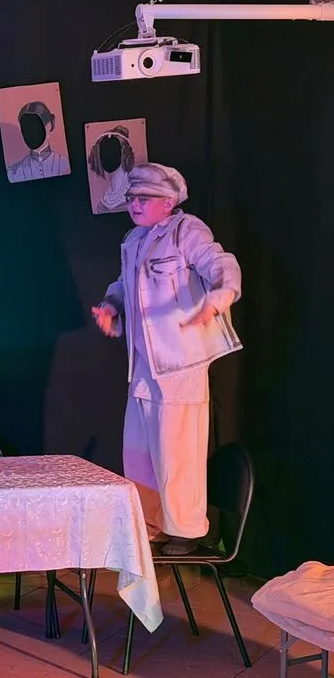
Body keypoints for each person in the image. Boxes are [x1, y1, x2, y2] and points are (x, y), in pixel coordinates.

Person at [91, 162, 242, 556]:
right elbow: (124, 284)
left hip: (180, 363)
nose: (134, 204)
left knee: (177, 451)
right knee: (139, 451)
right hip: (145, 365)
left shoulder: (186, 230)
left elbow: (220, 263)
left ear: (169, 202)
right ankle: (151, 524)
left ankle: (186, 529)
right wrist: (110, 306)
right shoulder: (134, 239)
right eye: (131, 197)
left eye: (144, 198)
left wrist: (219, 297)